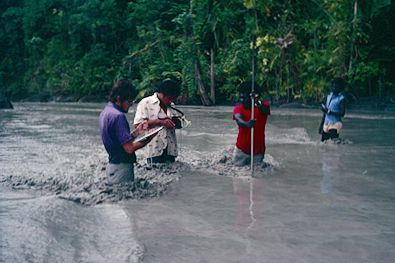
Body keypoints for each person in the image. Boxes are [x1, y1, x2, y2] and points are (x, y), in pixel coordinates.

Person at [99, 79, 154, 185]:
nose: (131, 105)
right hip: (122, 169)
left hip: (112, 166)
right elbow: (129, 148)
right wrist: (149, 138)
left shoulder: (106, 112)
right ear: (119, 99)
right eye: (129, 101)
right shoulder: (119, 116)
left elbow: (119, 141)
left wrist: (137, 132)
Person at [133, 79, 182, 164]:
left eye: (173, 99)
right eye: (170, 98)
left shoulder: (171, 106)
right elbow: (138, 127)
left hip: (171, 150)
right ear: (162, 94)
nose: (171, 101)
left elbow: (176, 125)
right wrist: (160, 122)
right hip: (154, 151)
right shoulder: (145, 103)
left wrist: (177, 122)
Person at [232, 81, 270, 166]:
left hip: (258, 151)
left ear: (251, 97)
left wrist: (256, 100)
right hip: (241, 151)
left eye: (244, 98)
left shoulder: (263, 106)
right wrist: (247, 124)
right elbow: (239, 120)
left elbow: (265, 110)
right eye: (240, 97)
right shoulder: (238, 108)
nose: (241, 100)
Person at [319, 77, 346, 142]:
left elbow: (342, 113)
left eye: (336, 86)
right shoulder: (328, 96)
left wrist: (330, 112)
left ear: (340, 88)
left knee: (333, 144)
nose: (334, 87)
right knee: (323, 144)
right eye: (333, 85)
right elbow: (325, 113)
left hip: (335, 124)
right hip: (326, 123)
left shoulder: (342, 99)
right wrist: (321, 125)